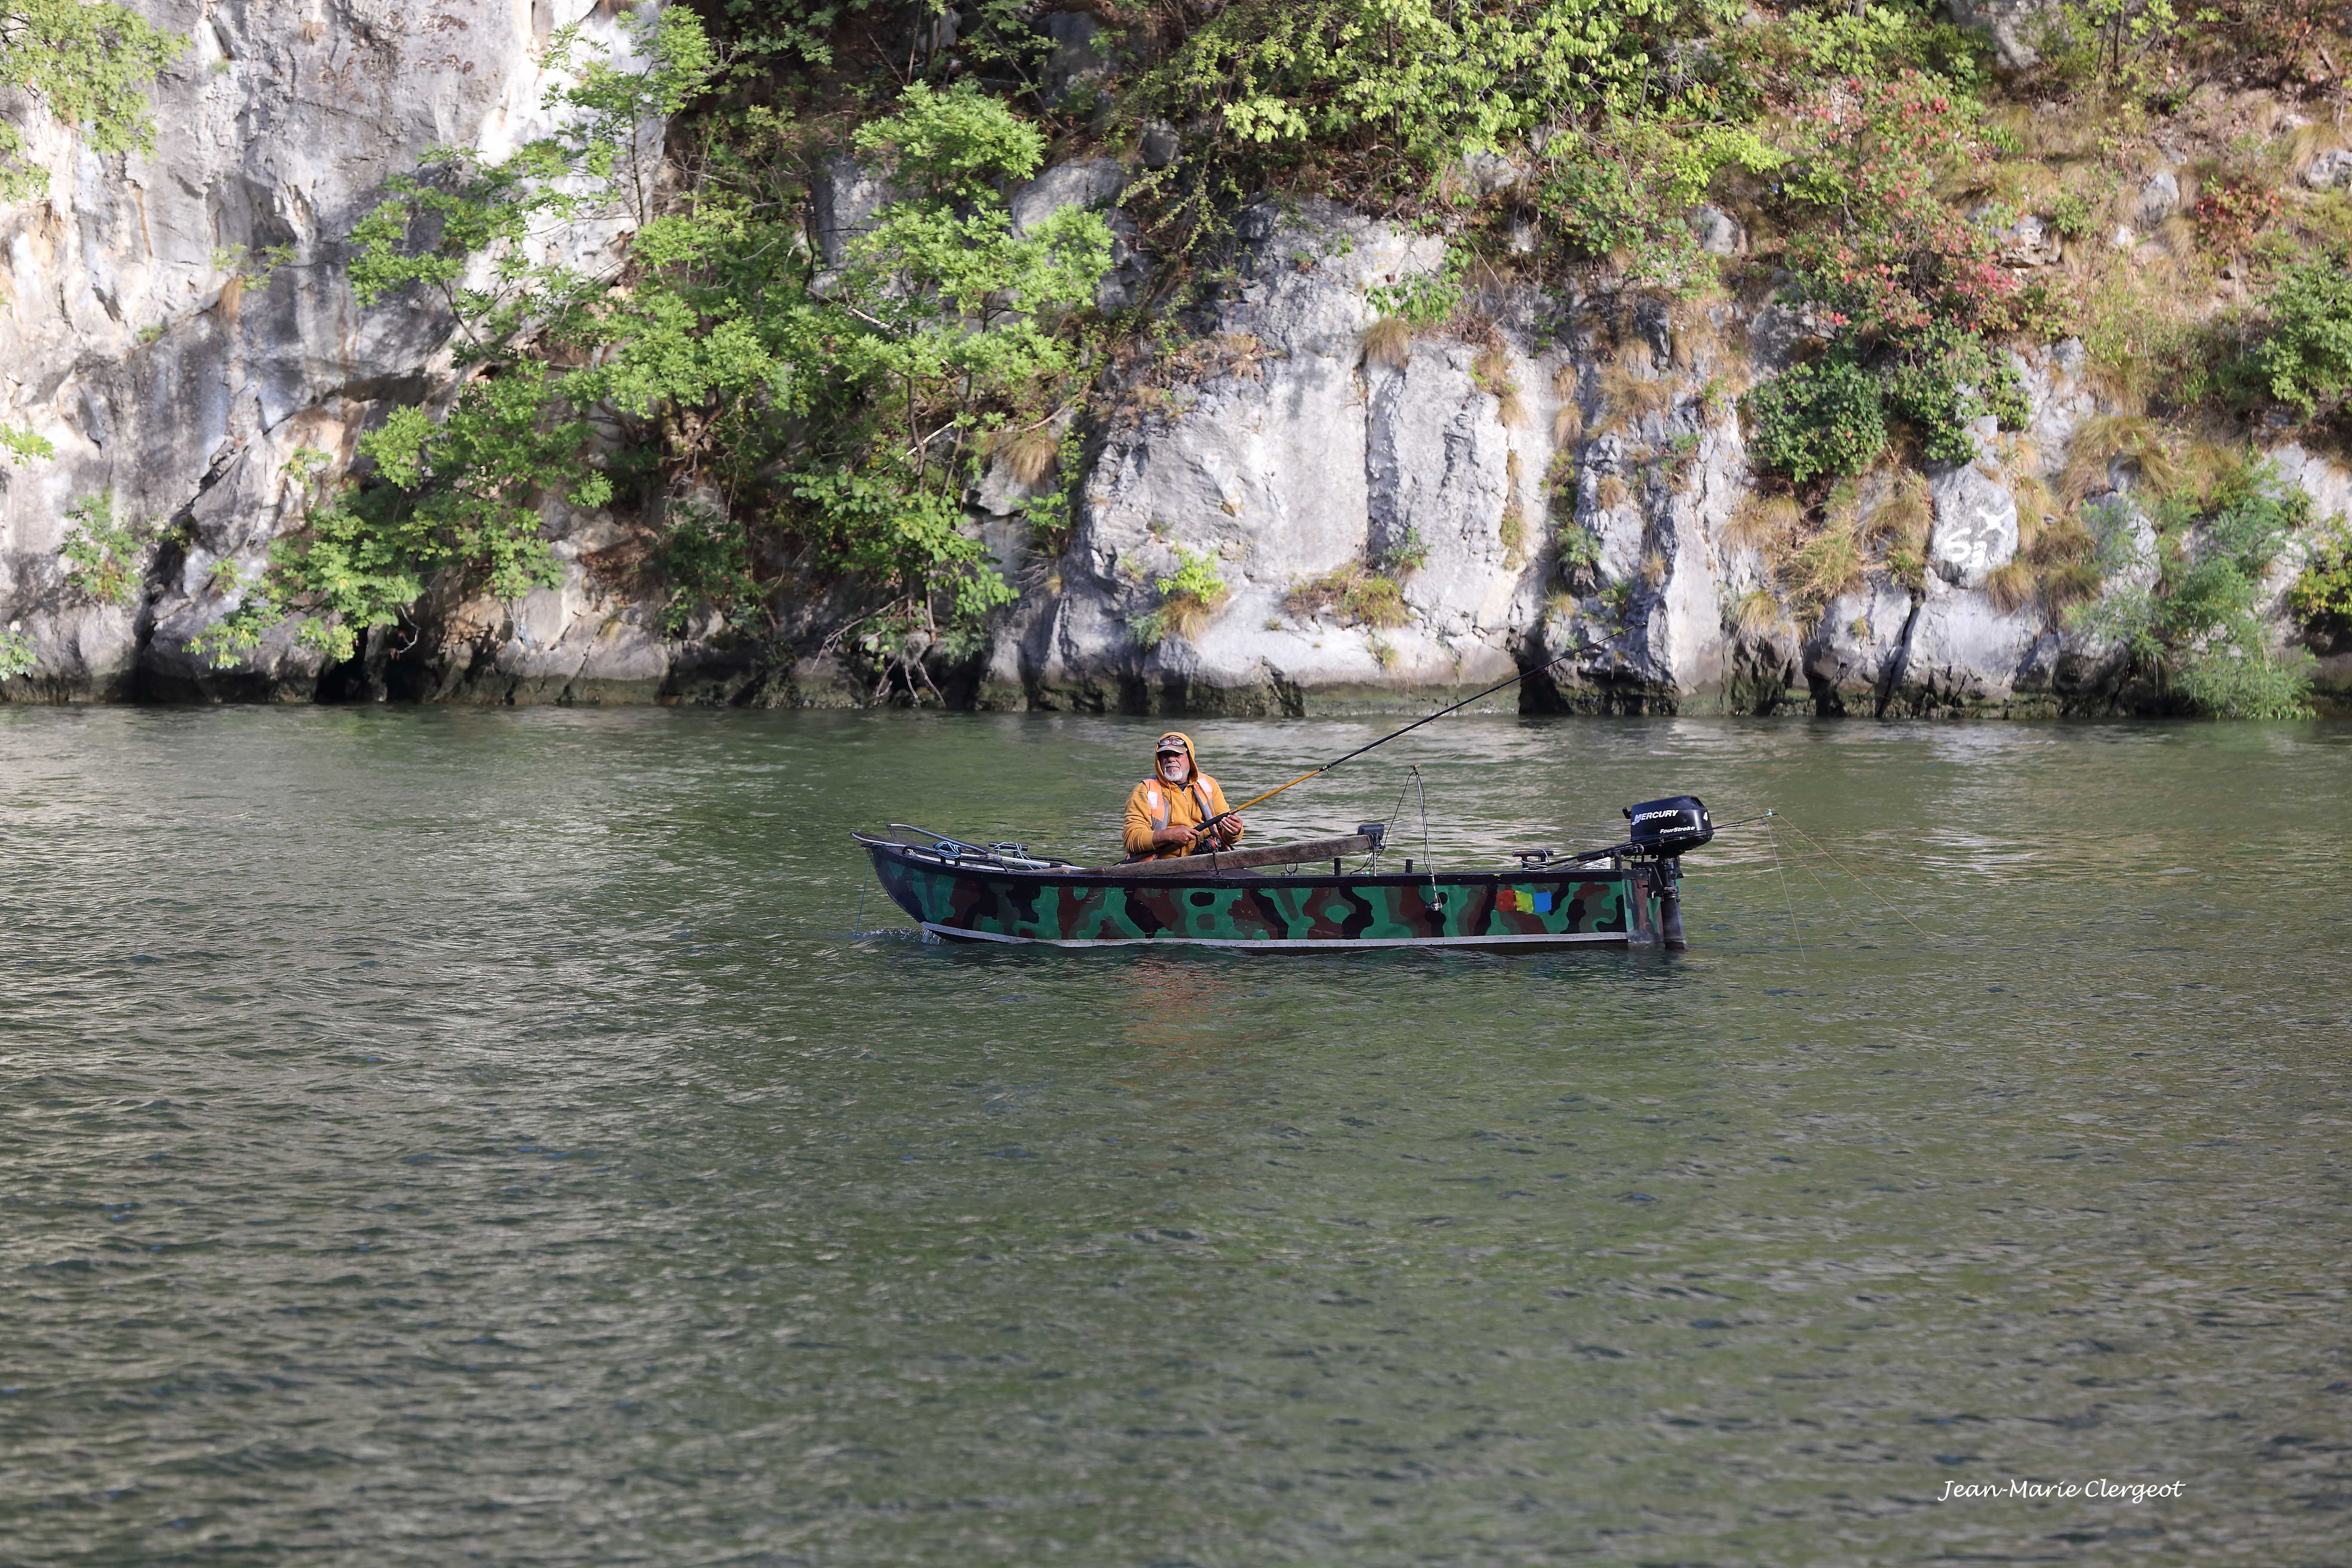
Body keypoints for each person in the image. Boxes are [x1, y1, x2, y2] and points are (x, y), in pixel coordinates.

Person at [1122, 731, 1245, 861]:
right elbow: (1132, 839)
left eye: (1177, 754)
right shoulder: (1144, 790)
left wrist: (1235, 832)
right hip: (1162, 867)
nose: (1171, 759)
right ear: (1159, 761)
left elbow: (1228, 837)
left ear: (1190, 758)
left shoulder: (1209, 784)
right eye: (1165, 756)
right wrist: (1169, 836)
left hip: (1210, 861)